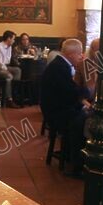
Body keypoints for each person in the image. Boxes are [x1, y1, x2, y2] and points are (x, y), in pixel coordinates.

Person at [40, 39, 91, 174]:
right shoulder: (60, 67)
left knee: (83, 114)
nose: (82, 57)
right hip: (55, 113)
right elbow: (70, 93)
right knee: (82, 120)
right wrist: (87, 93)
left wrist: (81, 102)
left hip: (56, 108)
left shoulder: (60, 64)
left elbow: (68, 92)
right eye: (80, 54)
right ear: (71, 54)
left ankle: (70, 155)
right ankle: (77, 165)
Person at [0, 30, 21, 108]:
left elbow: (8, 60)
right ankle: (9, 99)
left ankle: (14, 93)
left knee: (17, 70)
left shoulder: (9, 47)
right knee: (9, 76)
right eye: (13, 39)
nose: (14, 41)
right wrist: (6, 70)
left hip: (5, 66)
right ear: (9, 39)